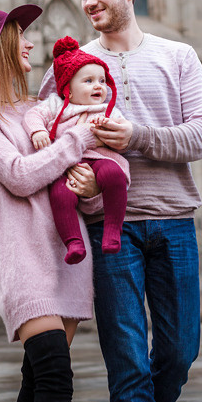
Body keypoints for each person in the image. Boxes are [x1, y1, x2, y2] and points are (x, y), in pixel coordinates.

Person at [0, 0, 202, 402]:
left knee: (180, 354)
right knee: (127, 365)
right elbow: (38, 140)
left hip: (174, 220)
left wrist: (136, 136)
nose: (88, 1)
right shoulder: (66, 66)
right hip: (108, 230)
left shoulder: (179, 56)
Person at [0, 4, 104, 402]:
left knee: (36, 381)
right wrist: (78, 140)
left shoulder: (40, 108)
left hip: (67, 257)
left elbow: (67, 172)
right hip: (23, 259)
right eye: (21, 36)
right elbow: (20, 176)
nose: (31, 43)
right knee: (55, 378)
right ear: (0, 46)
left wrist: (90, 187)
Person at [23, 36, 130, 265]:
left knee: (114, 175)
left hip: (101, 159)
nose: (98, 86)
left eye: (102, 80)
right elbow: (33, 115)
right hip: (67, 165)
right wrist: (37, 131)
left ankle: (112, 230)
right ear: (68, 90)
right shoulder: (56, 105)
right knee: (60, 194)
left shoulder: (107, 110)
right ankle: (73, 242)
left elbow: (122, 133)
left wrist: (108, 133)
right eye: (89, 80)